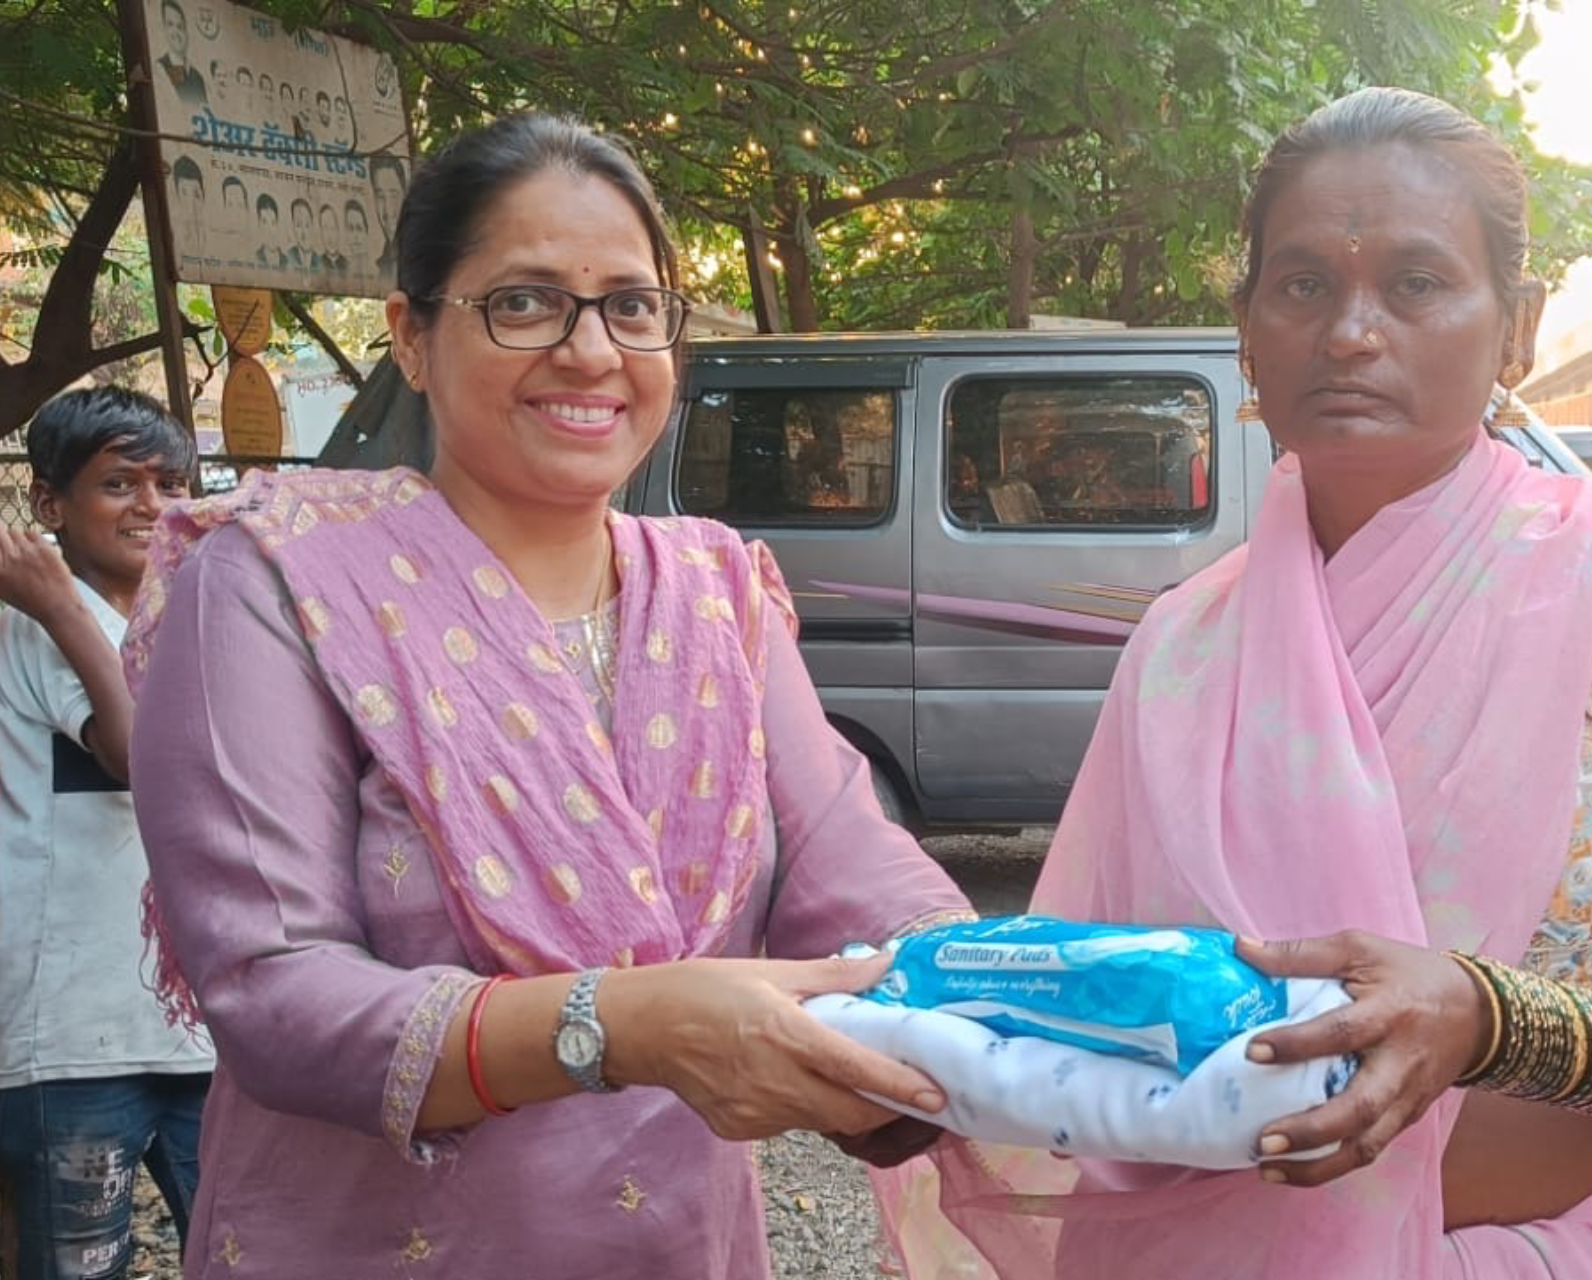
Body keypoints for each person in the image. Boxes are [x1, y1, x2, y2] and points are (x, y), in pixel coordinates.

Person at [875, 86, 1592, 1279]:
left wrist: (1492, 1021)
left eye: (1417, 282)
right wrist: (912, 1035)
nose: (1349, 332)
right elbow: (1112, 1008)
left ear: (1520, 325)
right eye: (1301, 285)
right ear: (1246, 329)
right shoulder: (1184, 642)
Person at [124, 112, 971, 1280]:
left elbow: (845, 852)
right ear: (411, 334)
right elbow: (272, 988)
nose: (590, 351)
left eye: (631, 305)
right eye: (524, 302)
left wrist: (982, 986)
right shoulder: (275, 578)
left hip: (678, 1244)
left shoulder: (718, 589)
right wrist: (623, 1026)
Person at [0, 387, 212, 1280]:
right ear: (49, 504)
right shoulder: (32, 624)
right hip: (73, 1035)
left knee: (251, 1249)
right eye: (119, 483)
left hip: (201, 1029)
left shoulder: (194, 616)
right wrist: (58, 607)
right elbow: (134, 757)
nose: (151, 506)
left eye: (171, 483)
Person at [154, 0, 206, 108]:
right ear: (163, 28)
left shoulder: (197, 76)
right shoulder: (160, 67)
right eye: (170, 24)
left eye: (180, 26)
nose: (176, 32)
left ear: (186, 31)